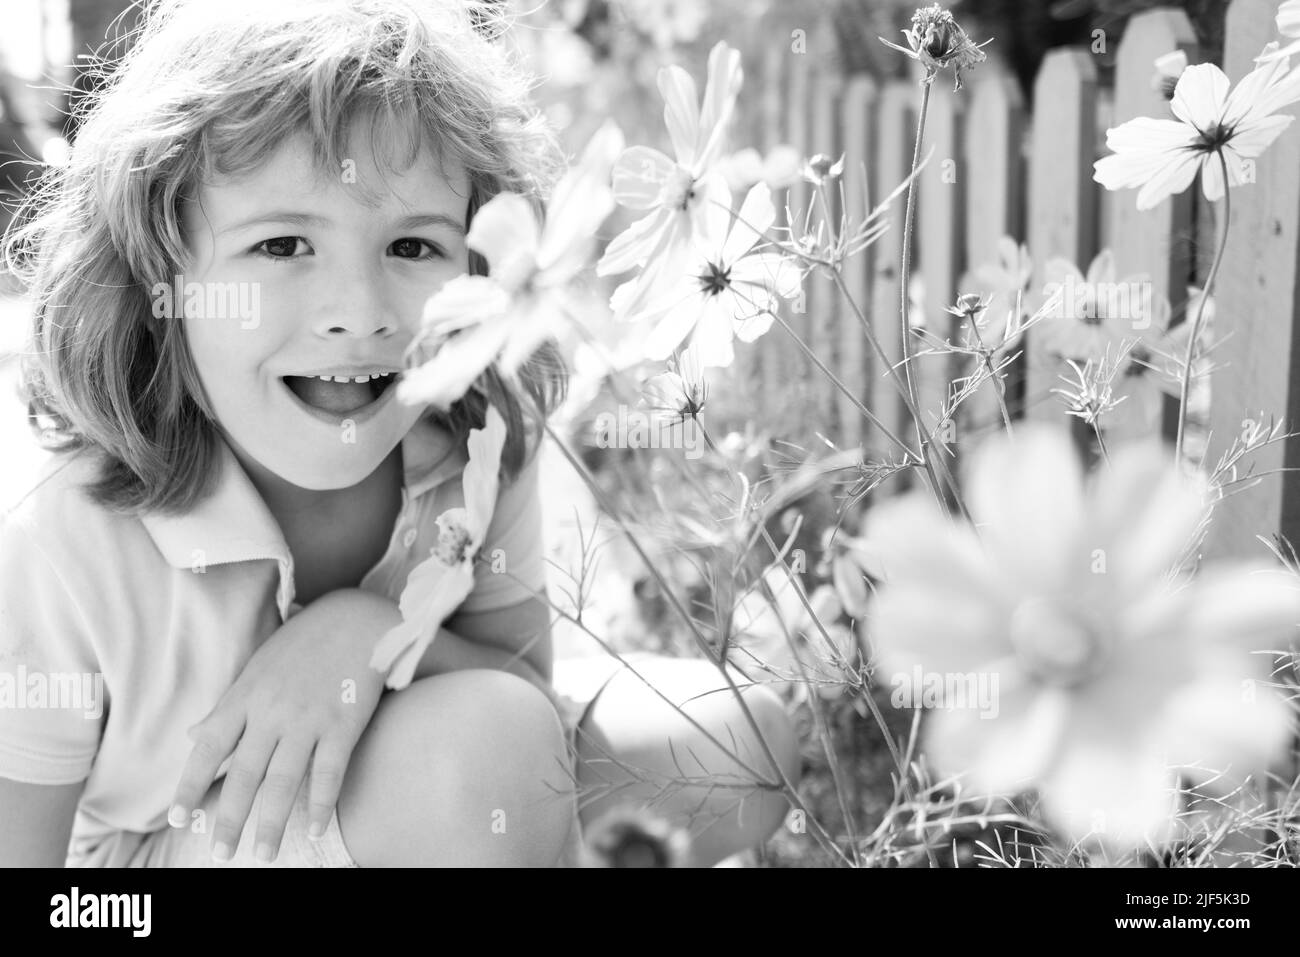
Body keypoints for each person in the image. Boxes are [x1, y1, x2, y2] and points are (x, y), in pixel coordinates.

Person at [0, 0, 799, 868]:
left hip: (449, 782)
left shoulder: (471, 433)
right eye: (280, 246)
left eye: (413, 247)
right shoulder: (66, 543)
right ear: (161, 270)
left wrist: (370, 637)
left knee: (742, 744)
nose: (359, 313)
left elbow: (524, 687)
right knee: (492, 755)